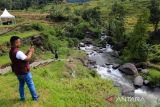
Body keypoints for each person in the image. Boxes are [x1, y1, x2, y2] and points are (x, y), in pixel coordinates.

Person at [9, 36, 39, 101]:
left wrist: (27, 51)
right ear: (16, 43)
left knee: (21, 84)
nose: (20, 43)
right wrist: (31, 52)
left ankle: (22, 98)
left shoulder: (11, 51)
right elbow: (27, 59)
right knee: (30, 84)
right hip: (24, 72)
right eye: (19, 42)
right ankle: (35, 97)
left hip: (18, 72)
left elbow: (21, 57)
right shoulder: (18, 52)